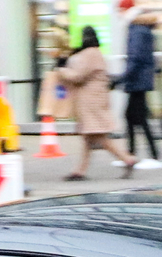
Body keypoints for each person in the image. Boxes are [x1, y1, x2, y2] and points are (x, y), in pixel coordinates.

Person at [55, 26, 133, 181]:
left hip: (90, 100)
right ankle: (79, 171)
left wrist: (62, 71)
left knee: (98, 136)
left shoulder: (89, 54)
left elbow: (77, 76)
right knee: (88, 136)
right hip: (95, 98)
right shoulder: (96, 53)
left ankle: (127, 159)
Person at [119, 11, 162, 168]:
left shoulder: (137, 31)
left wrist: (123, 77)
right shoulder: (143, 30)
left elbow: (135, 57)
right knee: (132, 116)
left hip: (137, 79)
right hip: (140, 79)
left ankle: (152, 156)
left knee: (137, 117)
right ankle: (131, 154)